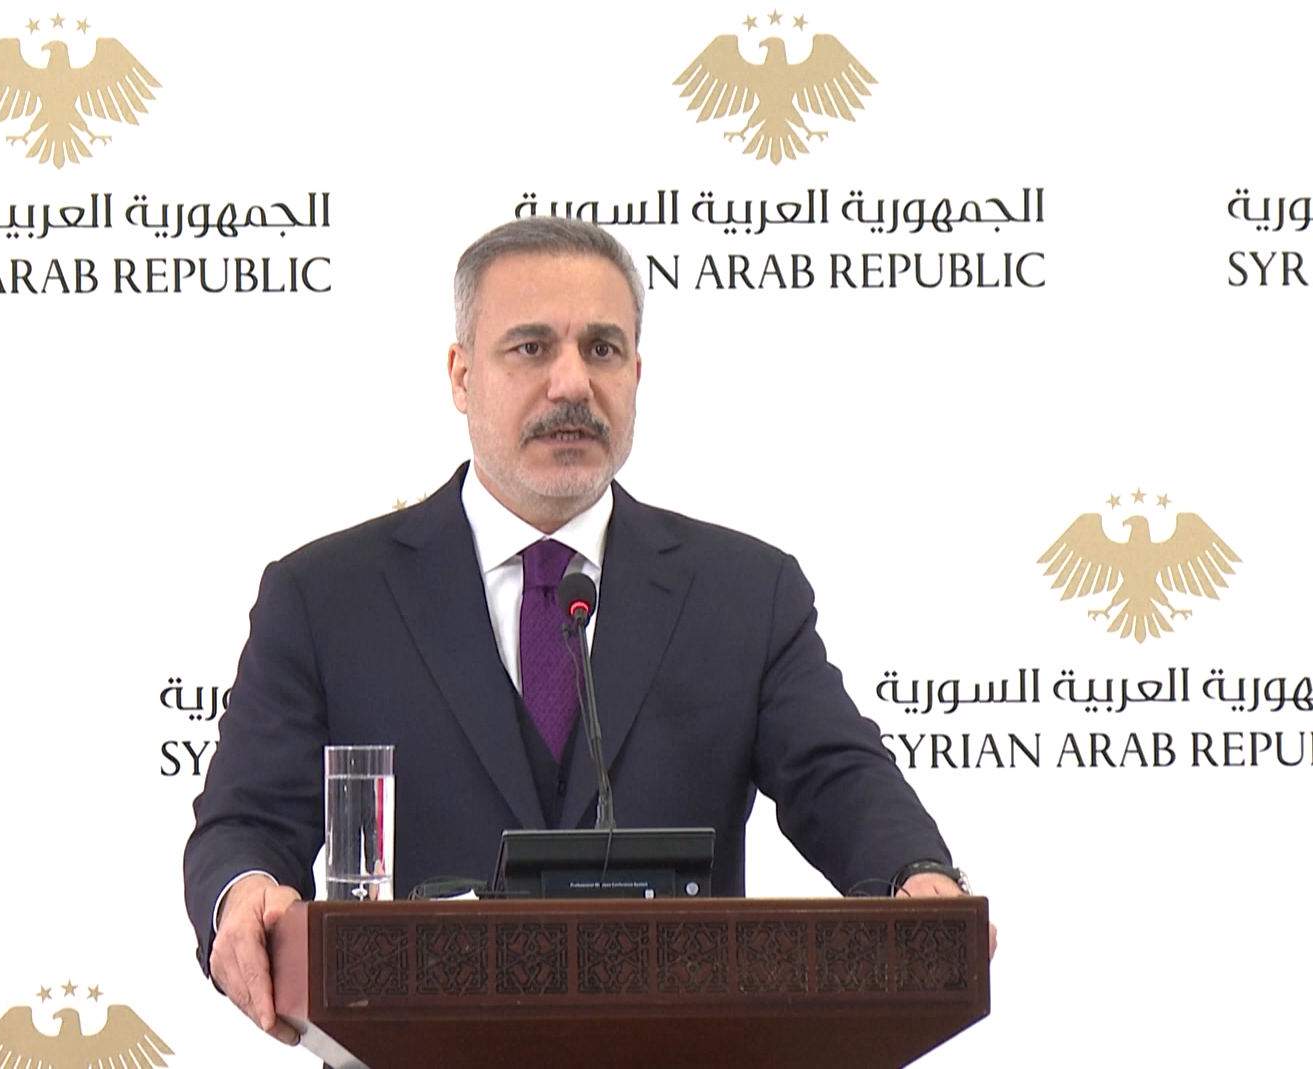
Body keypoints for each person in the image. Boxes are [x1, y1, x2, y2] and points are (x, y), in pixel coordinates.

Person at [182, 217, 992, 1046]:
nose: (570, 382)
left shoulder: (744, 592)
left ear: (636, 373)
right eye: (530, 347)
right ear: (461, 374)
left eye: (602, 349)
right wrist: (243, 891)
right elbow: (247, 822)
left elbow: (836, 775)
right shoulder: (325, 597)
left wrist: (916, 873)